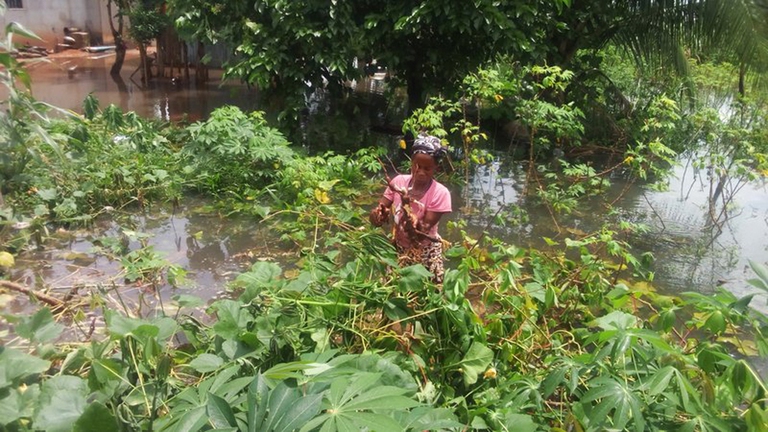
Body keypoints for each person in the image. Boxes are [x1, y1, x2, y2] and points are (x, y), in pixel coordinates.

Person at [369, 133, 452, 282]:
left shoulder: (440, 193)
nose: (420, 172)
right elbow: (379, 211)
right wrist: (377, 215)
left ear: (436, 169)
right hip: (399, 248)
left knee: (427, 292)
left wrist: (410, 215)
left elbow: (422, 231)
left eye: (427, 168)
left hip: (425, 251)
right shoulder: (398, 182)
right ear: (411, 163)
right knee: (393, 290)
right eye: (417, 166)